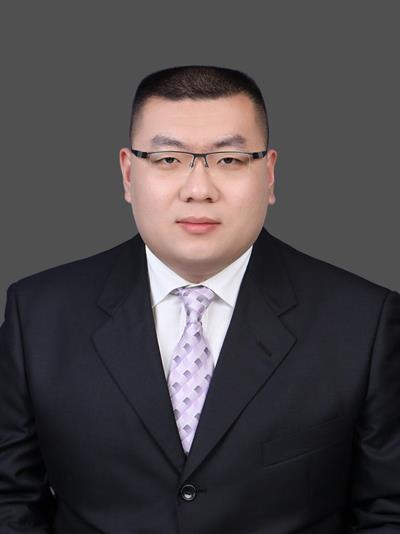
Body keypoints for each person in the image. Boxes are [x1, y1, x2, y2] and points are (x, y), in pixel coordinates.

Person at [0, 65, 399, 534]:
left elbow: (387, 512)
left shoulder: (363, 322)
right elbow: (10, 501)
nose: (198, 190)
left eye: (228, 160)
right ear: (128, 173)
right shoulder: (38, 315)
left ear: (269, 174)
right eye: (168, 159)